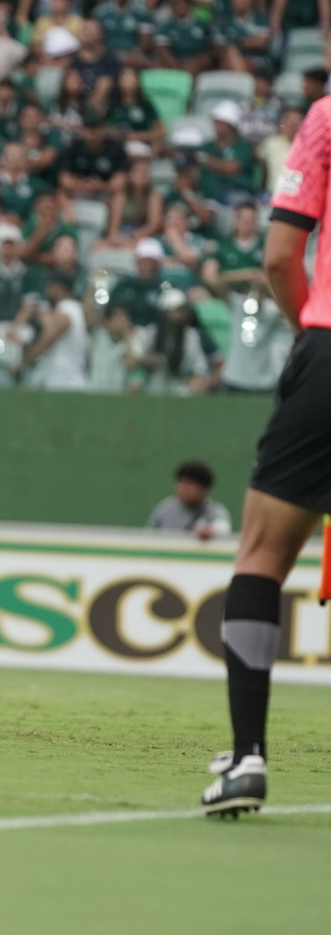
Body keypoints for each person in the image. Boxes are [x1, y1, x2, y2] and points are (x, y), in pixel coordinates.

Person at [198, 95, 331, 817]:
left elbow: (280, 256)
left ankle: (246, 755)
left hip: (328, 346)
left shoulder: (326, 116)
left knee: (260, 557)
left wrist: (311, 334)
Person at [147, 460, 231, 540]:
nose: (183, 489)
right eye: (180, 483)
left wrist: (210, 531)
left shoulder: (214, 510)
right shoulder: (165, 508)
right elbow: (150, 533)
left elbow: (223, 527)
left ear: (203, 489)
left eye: (189, 484)